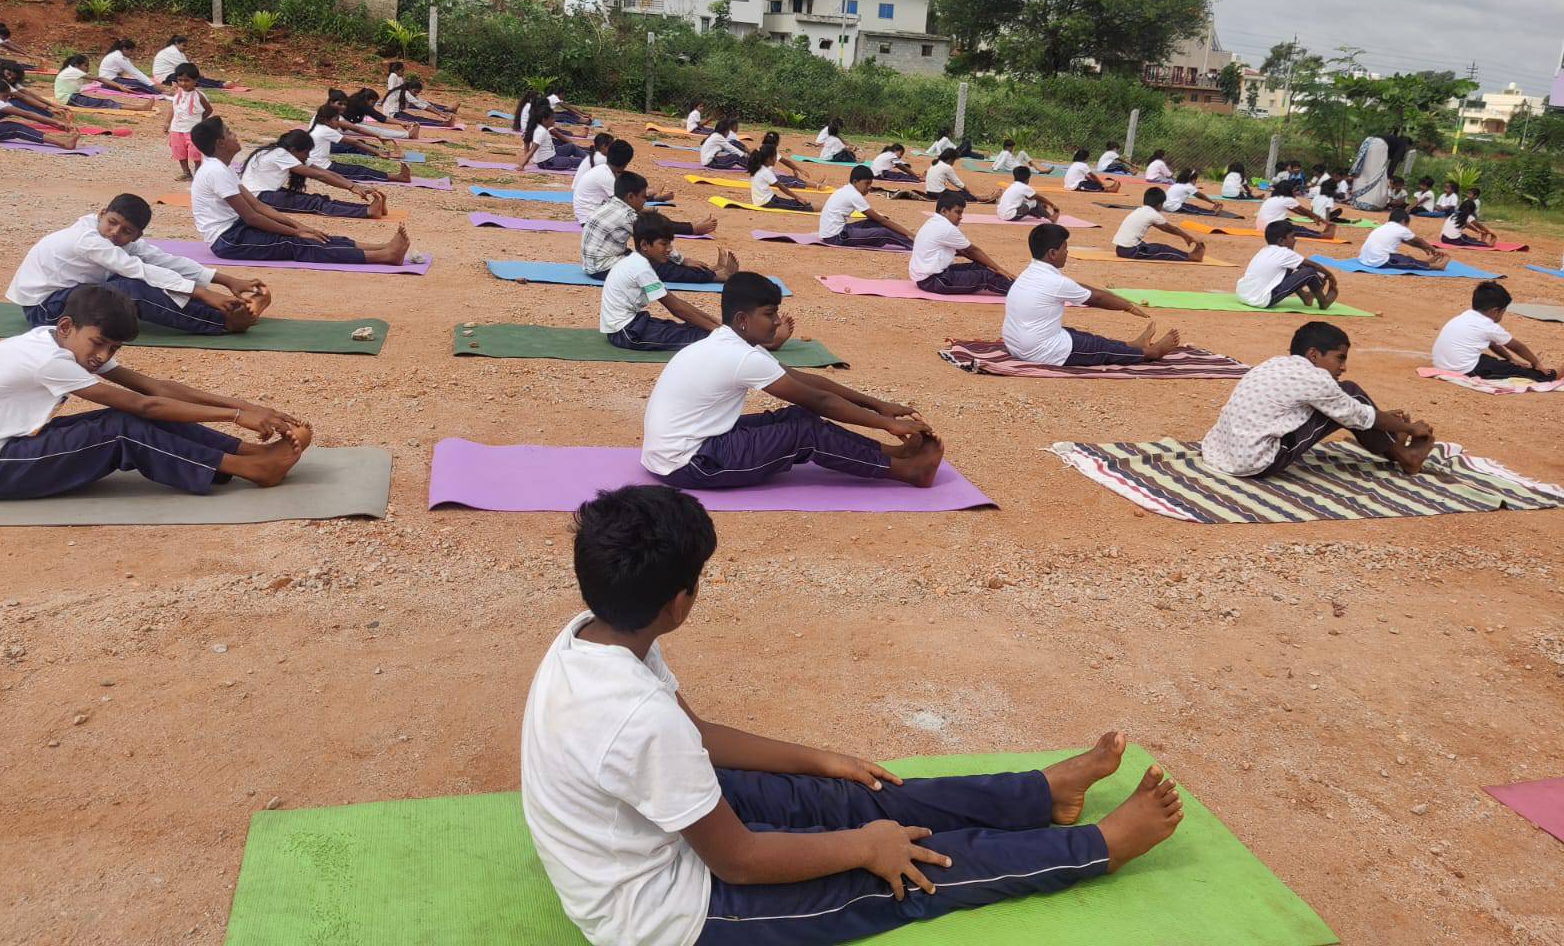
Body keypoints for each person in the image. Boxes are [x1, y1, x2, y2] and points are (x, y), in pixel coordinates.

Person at [522, 483, 1184, 946]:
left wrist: (819, 761)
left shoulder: (597, 633)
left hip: (661, 821)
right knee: (913, 865)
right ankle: (1096, 849)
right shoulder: (635, 717)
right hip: (672, 916)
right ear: (679, 602)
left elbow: (695, 735)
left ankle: (1043, 793)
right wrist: (867, 849)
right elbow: (741, 863)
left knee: (853, 795)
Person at [0, 285, 312, 501]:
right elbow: (146, 405)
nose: (103, 356)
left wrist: (246, 406)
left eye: (114, 348)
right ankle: (253, 469)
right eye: (99, 344)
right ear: (68, 326)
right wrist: (236, 416)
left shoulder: (63, 342)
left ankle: (250, 452)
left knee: (125, 418)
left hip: (5, 447)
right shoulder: (48, 360)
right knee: (121, 428)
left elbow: (155, 388)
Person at [641, 273, 943, 490]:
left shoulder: (731, 343)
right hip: (692, 464)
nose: (776, 322)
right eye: (769, 314)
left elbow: (806, 380)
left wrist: (878, 405)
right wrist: (888, 423)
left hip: (679, 452)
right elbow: (819, 400)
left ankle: (891, 454)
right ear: (743, 319)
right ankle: (908, 471)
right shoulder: (740, 356)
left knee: (796, 417)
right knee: (804, 431)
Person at [7, 194, 270, 335]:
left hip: (67, 296)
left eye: (125, 230)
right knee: (130, 290)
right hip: (43, 311)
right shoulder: (87, 239)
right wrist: (202, 291)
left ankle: (229, 309)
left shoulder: (120, 240)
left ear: (136, 235)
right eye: (111, 222)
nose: (114, 232)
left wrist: (226, 280)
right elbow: (138, 270)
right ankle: (223, 322)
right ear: (101, 214)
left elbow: (164, 260)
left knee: (150, 276)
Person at [1202, 321, 1435, 478]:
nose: (1343, 367)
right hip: (1255, 462)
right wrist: (1410, 427)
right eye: (1339, 358)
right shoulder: (1317, 380)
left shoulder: (1274, 363)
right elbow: (1357, 414)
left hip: (1220, 452)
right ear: (1313, 354)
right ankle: (1406, 456)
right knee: (1350, 393)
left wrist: (1380, 418)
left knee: (1350, 404)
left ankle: (1392, 442)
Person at [189, 117, 410, 265]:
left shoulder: (221, 168)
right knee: (297, 244)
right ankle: (385, 256)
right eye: (229, 133)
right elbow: (252, 216)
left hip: (238, 229)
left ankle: (380, 248)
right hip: (228, 240)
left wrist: (300, 225)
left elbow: (259, 206)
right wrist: (296, 232)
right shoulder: (215, 171)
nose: (235, 135)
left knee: (313, 235)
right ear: (220, 143)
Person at [1005, 225, 1182, 366]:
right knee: (1097, 349)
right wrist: (1128, 306)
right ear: (1052, 253)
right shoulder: (1056, 282)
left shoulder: (1031, 273)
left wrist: (1118, 299)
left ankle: (1131, 345)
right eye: (1064, 249)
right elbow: (1097, 298)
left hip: (1016, 345)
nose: (1067, 253)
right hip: (1039, 351)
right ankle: (1150, 353)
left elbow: (1077, 287)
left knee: (1077, 335)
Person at [599, 214, 730, 352]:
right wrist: (716, 329)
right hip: (626, 332)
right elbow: (676, 308)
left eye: (669, 243)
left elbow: (677, 302)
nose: (669, 249)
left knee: (692, 328)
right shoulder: (641, 268)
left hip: (629, 324)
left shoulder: (638, 262)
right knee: (701, 336)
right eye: (664, 243)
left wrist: (715, 321)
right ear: (644, 245)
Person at [582, 171, 732, 282]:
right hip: (602, 268)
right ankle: (716, 276)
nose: (645, 202)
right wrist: (682, 260)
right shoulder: (626, 216)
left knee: (655, 257)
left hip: (599, 263)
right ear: (630, 197)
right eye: (643, 197)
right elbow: (655, 231)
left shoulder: (612, 205)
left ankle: (707, 270)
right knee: (660, 267)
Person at [241, 129, 388, 220]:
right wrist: (351, 187)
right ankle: (368, 211)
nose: (307, 156)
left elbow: (323, 172)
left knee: (317, 199)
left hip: (266, 194)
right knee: (315, 204)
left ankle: (368, 209)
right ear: (293, 149)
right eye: (305, 153)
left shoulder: (285, 152)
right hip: (258, 198)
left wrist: (355, 186)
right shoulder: (280, 154)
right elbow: (318, 176)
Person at [1432, 282, 1556, 382]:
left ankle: (1508, 364)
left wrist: (1509, 358)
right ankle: (1553, 376)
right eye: (1503, 312)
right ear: (1495, 311)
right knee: (1516, 370)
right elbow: (1517, 346)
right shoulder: (1488, 325)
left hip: (1443, 364)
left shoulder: (1466, 315)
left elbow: (1492, 342)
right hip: (1464, 369)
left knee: (1497, 362)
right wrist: (1536, 363)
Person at [908, 191, 1016, 295]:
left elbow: (964, 251)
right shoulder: (946, 228)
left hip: (928, 278)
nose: (960, 217)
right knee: (986, 276)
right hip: (934, 281)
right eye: (957, 212)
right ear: (944, 211)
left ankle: (1017, 285)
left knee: (980, 267)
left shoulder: (933, 222)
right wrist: (999, 269)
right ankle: (1022, 292)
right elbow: (972, 250)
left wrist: (990, 267)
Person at [1236, 221, 1338, 310]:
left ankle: (1305, 296)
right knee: (1310, 271)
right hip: (1262, 300)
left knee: (1297, 267)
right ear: (1281, 241)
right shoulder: (1284, 252)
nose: (1295, 240)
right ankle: (1323, 302)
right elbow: (1315, 266)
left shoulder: (1264, 250)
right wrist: (1330, 276)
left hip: (1243, 295)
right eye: (1292, 237)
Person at [0, 78, 80, 149]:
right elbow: (26, 114)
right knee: (14, 128)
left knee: (16, 103)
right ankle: (63, 143)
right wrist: (55, 121)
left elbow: (24, 98)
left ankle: (60, 124)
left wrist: (53, 116)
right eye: (4, 96)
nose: (6, 100)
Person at [310, 104, 412, 184]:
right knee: (361, 171)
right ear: (326, 120)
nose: (339, 123)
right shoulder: (325, 130)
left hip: (319, 166)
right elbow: (355, 143)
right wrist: (379, 152)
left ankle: (398, 174)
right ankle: (401, 177)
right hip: (322, 168)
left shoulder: (319, 126)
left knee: (356, 167)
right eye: (336, 120)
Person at [816, 167, 913, 249]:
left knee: (874, 223)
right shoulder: (854, 195)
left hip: (832, 233)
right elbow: (882, 221)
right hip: (836, 237)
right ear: (855, 182)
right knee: (884, 232)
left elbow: (878, 220)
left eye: (870, 183)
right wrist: (910, 234)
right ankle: (915, 245)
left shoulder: (846, 189)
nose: (869, 187)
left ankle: (910, 240)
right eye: (867, 183)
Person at [0, 60, 71, 126]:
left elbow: (27, 93)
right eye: (8, 74)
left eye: (12, 78)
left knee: (19, 101)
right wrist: (48, 108)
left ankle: (54, 119)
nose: (9, 78)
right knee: (17, 102)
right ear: (4, 69)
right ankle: (55, 121)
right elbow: (22, 96)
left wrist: (54, 105)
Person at [1112, 187, 1204, 262]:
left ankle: (1190, 255)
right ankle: (1191, 257)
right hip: (1132, 251)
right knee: (1163, 249)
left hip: (1120, 249)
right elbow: (1170, 229)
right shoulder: (1153, 214)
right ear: (1160, 204)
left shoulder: (1140, 210)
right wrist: (1187, 237)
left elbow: (1162, 227)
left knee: (1149, 245)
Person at [163, 63, 213, 179]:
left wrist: (200, 120)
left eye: (187, 80)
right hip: (176, 129)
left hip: (192, 130)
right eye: (180, 80)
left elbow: (209, 110)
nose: (183, 83)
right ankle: (186, 173)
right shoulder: (177, 95)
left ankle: (198, 173)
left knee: (195, 153)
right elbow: (173, 108)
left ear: (195, 80)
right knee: (179, 152)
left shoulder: (199, 96)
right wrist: (167, 123)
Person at [1357, 209, 1448, 271]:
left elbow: (1408, 242)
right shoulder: (1400, 228)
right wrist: (1432, 249)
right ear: (1403, 221)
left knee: (1404, 258)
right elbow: (1419, 240)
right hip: (1378, 261)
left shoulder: (1384, 226)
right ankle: (1438, 266)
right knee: (1409, 262)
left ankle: (1426, 263)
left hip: (1365, 258)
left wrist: (1423, 248)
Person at [53, 54, 150, 111]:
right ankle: (139, 108)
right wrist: (120, 86)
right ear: (77, 65)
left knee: (104, 102)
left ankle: (139, 107)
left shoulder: (72, 71)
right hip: (70, 99)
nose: (88, 68)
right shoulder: (73, 71)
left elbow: (96, 79)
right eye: (86, 65)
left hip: (71, 97)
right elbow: (100, 79)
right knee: (105, 103)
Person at [1255, 180, 1336, 239]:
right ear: (1289, 191)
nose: (1296, 193)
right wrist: (1325, 222)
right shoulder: (1288, 199)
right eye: (1294, 190)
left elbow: (1299, 212)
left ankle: (1322, 233)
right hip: (1273, 229)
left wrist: (1314, 217)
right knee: (1299, 231)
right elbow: (1306, 211)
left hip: (1262, 227)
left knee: (1299, 228)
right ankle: (1326, 235)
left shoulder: (1273, 198)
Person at [747, 142, 813, 211]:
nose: (776, 160)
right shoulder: (766, 171)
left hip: (763, 201)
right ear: (769, 158)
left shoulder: (757, 167)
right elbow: (781, 187)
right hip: (768, 202)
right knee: (805, 206)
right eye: (775, 157)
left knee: (794, 202)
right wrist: (798, 197)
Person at [151, 35, 231, 88]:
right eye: (184, 45)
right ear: (176, 44)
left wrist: (197, 73)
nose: (185, 48)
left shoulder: (177, 52)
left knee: (193, 78)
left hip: (169, 75)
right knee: (192, 79)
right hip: (165, 77)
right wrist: (197, 74)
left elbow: (187, 66)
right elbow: (186, 68)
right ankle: (221, 84)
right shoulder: (172, 51)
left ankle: (220, 83)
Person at [383, 77, 456, 127]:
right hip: (391, 114)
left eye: (417, 93)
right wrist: (440, 113)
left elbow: (423, 102)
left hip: (396, 112)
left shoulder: (407, 92)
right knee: (416, 120)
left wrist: (440, 112)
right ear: (409, 88)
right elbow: (420, 105)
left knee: (416, 118)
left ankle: (442, 122)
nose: (416, 94)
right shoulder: (406, 93)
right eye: (415, 91)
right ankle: (441, 124)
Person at [98, 39, 162, 94]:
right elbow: (134, 72)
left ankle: (159, 90)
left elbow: (133, 71)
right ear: (124, 49)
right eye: (131, 51)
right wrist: (152, 84)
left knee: (139, 82)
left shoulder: (119, 54)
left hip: (112, 79)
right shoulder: (118, 57)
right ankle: (159, 92)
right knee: (139, 85)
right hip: (109, 82)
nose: (132, 53)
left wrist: (150, 83)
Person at [923, 148, 988, 202]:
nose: (953, 163)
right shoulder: (947, 167)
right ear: (950, 159)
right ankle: (977, 198)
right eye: (954, 160)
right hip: (938, 193)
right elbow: (957, 183)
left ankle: (973, 196)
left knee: (957, 193)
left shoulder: (935, 164)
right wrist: (969, 193)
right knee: (963, 195)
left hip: (929, 192)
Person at [1347, 134, 1391, 210]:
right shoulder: (1401, 146)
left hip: (1367, 143)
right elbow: (1394, 162)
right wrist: (1390, 177)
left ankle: (1359, 202)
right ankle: (1372, 203)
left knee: (1364, 175)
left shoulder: (1371, 140)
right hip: (1379, 146)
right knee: (1376, 175)